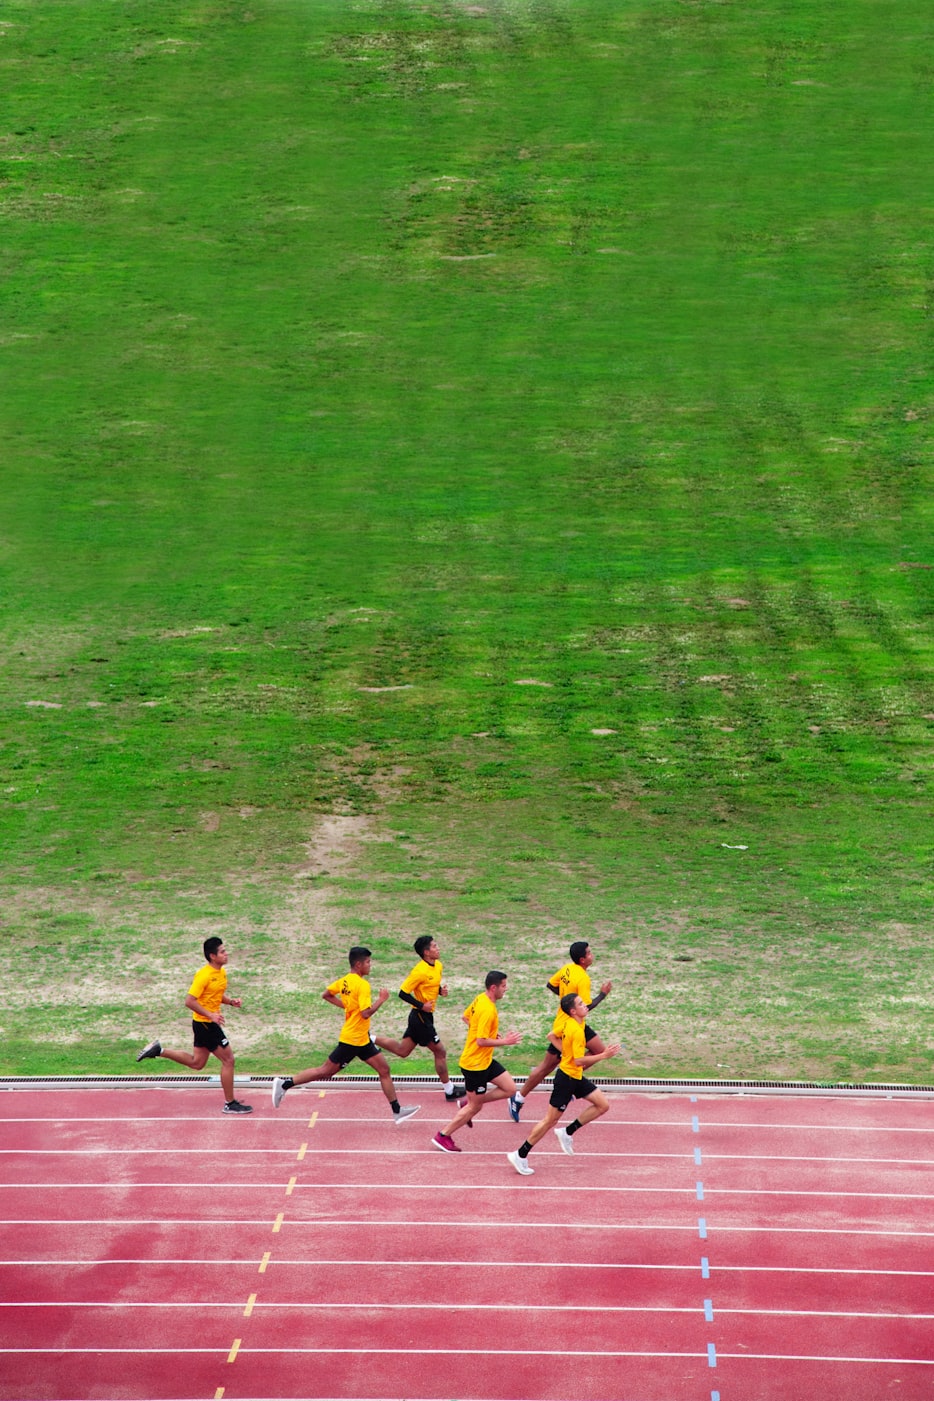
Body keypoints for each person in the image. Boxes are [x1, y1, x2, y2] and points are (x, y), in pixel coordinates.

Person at [270, 947, 419, 1123]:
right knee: (325, 1072)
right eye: (368, 962)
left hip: (362, 1038)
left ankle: (397, 1111)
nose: (370, 965)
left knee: (384, 1069)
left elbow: (326, 995)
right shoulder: (362, 985)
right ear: (358, 964)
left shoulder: (344, 981)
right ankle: (284, 1084)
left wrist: (347, 1007)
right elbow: (365, 1013)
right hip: (352, 1040)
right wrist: (381, 999)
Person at [136, 937, 252, 1114]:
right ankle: (230, 1103)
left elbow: (215, 995)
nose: (226, 954)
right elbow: (189, 1001)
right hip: (206, 1024)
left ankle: (159, 1050)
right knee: (228, 1060)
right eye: (222, 952)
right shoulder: (204, 975)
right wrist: (211, 1015)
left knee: (197, 1063)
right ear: (212, 956)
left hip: (204, 1024)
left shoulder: (221, 973)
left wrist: (230, 1002)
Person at [507, 993, 620, 1174]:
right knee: (549, 1120)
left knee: (602, 1105)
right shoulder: (575, 1030)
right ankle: (520, 1155)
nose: (586, 1006)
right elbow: (579, 1061)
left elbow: (551, 1035)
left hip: (575, 1077)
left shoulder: (572, 1023)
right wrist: (603, 1055)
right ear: (573, 1011)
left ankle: (567, 1132)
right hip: (566, 1079)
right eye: (581, 1004)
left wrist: (566, 1053)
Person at [511, 941, 611, 1116]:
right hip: (565, 1028)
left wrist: (565, 1000)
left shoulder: (567, 969)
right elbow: (586, 1007)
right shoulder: (583, 978)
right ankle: (518, 1097)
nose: (592, 955)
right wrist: (603, 994)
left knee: (599, 1051)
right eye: (589, 953)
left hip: (576, 1025)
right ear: (582, 959)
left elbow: (551, 984)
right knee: (545, 1067)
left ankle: (567, 1077)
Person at [431, 971, 522, 1153]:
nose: (506, 989)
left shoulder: (481, 998)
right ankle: (443, 1135)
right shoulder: (487, 1009)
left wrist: (488, 1033)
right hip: (475, 1065)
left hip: (485, 1060)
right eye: (504, 986)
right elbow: (480, 1041)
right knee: (475, 1107)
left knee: (510, 1089)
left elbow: (466, 1017)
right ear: (493, 987)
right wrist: (504, 1041)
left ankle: (469, 1102)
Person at [375, 935, 465, 1101]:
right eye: (434, 946)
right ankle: (449, 1090)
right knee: (440, 1051)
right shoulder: (419, 971)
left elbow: (430, 985)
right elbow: (403, 993)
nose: (438, 948)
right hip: (420, 1016)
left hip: (425, 1017)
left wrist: (439, 991)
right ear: (426, 952)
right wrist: (421, 1005)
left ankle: (370, 1038)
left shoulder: (438, 965)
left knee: (403, 1051)